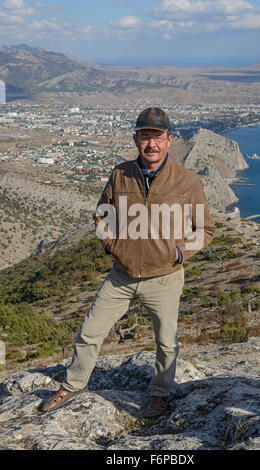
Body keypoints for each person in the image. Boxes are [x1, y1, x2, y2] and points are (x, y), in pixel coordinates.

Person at [41, 107, 216, 417]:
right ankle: (72, 385)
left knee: (166, 343)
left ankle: (160, 395)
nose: (151, 144)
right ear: (136, 139)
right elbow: (101, 214)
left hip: (165, 277)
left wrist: (178, 253)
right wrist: (112, 245)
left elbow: (206, 230)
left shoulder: (187, 181)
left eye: (158, 137)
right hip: (121, 276)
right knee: (90, 332)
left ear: (169, 140)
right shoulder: (120, 173)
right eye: (145, 137)